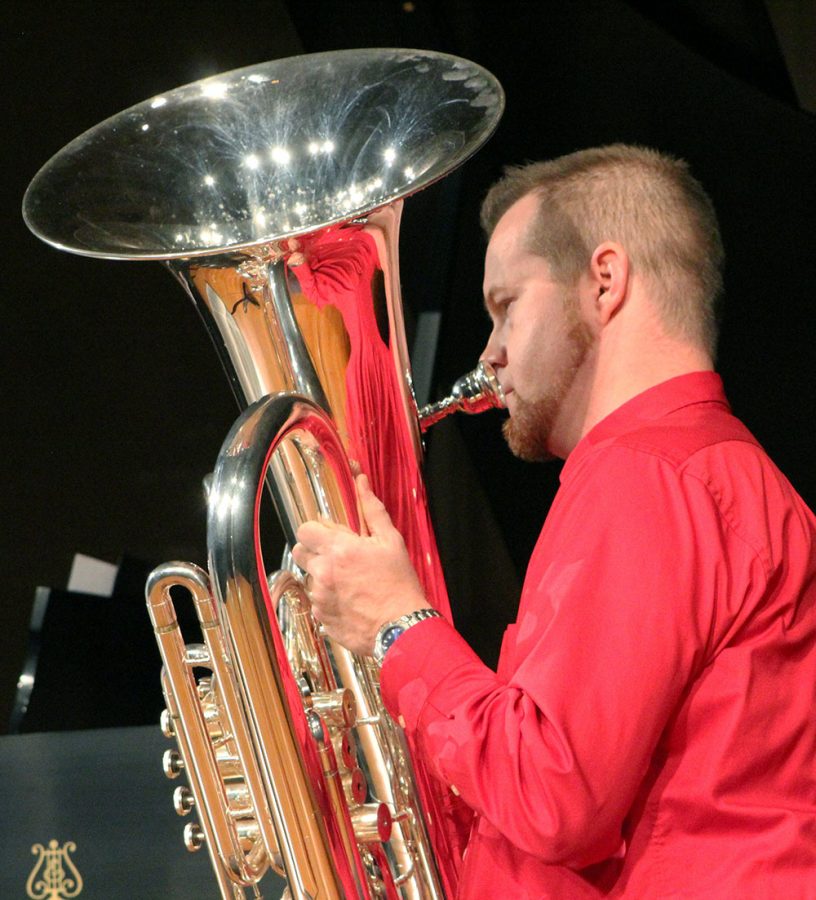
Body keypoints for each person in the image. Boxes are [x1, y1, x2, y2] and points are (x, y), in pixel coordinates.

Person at [292, 145, 816, 897]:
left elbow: (553, 793)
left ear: (605, 281)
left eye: (507, 306)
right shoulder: (716, 469)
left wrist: (396, 625)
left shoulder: (648, 474)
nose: (491, 354)